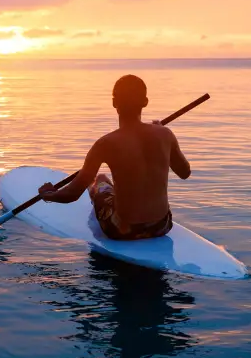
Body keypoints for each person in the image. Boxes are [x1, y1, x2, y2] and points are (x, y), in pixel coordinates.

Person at [38, 74, 191, 241]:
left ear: (114, 103)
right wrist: (163, 137)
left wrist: (49, 195)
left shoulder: (105, 144)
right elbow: (184, 172)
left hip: (122, 230)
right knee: (106, 180)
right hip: (162, 225)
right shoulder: (165, 134)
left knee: (99, 180)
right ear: (145, 102)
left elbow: (72, 195)